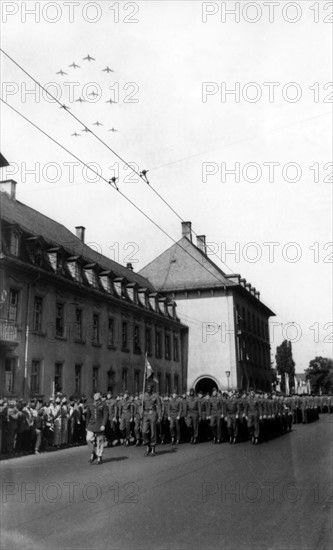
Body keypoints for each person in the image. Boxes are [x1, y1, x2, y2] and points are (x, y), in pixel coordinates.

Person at [86, 391, 108, 464]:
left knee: (100, 441)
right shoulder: (90, 405)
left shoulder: (103, 404)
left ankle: (99, 456)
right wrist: (86, 426)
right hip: (91, 425)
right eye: (95, 394)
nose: (96, 396)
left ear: (100, 396)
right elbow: (88, 416)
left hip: (99, 425)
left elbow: (105, 415)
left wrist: (103, 425)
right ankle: (93, 453)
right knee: (88, 439)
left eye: (97, 394)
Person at [141, 383, 161, 456]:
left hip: (153, 413)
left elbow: (159, 406)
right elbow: (141, 405)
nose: (148, 389)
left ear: (152, 388)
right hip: (145, 414)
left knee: (153, 432)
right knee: (143, 432)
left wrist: (159, 416)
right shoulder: (143, 396)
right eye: (147, 388)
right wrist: (141, 413)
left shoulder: (155, 396)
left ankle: (152, 448)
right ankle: (147, 444)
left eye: (150, 388)